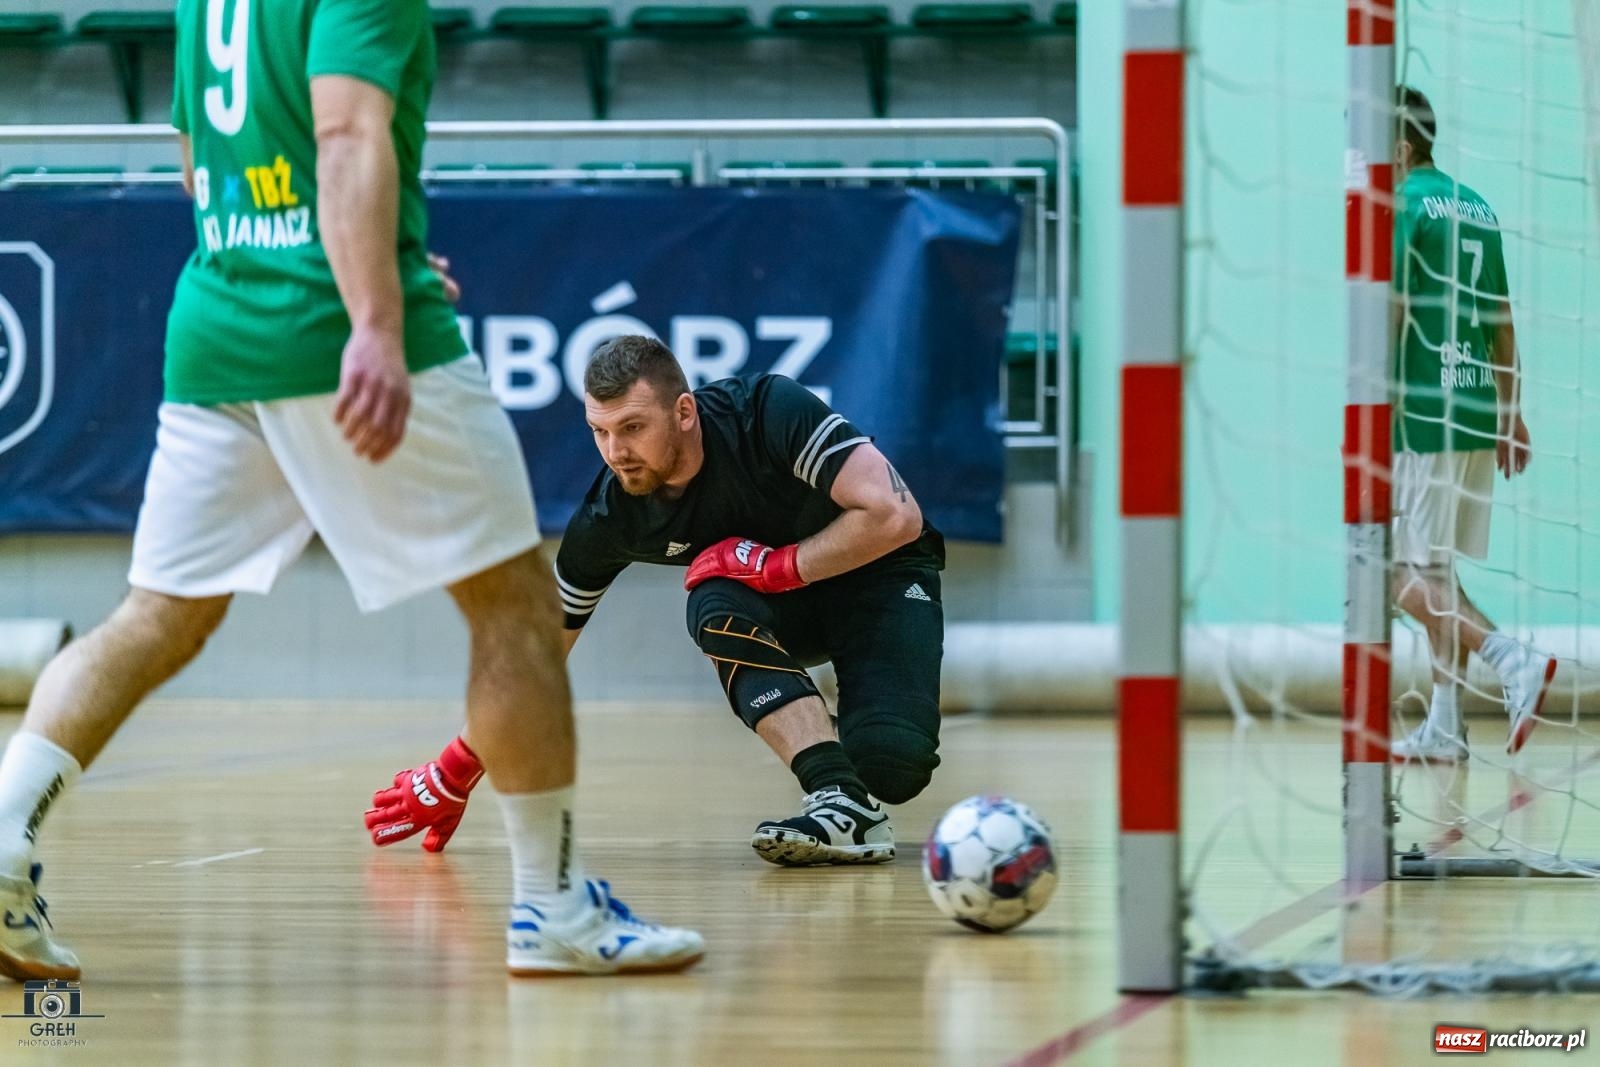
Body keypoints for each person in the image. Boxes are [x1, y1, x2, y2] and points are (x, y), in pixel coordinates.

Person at [0, 0, 701, 981]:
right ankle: (551, 907)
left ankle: (0, 845)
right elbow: (344, 129)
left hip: (218, 318)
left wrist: (332, 252)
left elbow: (200, 156)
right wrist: (370, 311)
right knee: (514, 609)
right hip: (333, 332)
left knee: (153, 613)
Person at [365, 335, 946, 865]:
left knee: (892, 766)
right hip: (779, 608)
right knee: (713, 597)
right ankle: (840, 803)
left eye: (633, 427)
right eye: (600, 431)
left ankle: (856, 748)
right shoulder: (610, 516)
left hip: (881, 576)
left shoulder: (767, 411)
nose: (616, 451)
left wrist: (772, 566)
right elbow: (537, 655)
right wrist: (457, 767)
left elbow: (895, 515)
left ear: (684, 412)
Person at [1388, 86, 1556, 763]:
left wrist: (1376, 401)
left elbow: (1394, 305)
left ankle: (1510, 659)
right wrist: (1511, 412)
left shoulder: (1401, 203)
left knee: (1394, 575)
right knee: (1437, 572)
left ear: (1399, 148)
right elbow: (1502, 319)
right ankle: (1446, 722)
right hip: (1477, 405)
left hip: (1422, 410)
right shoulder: (1475, 203)